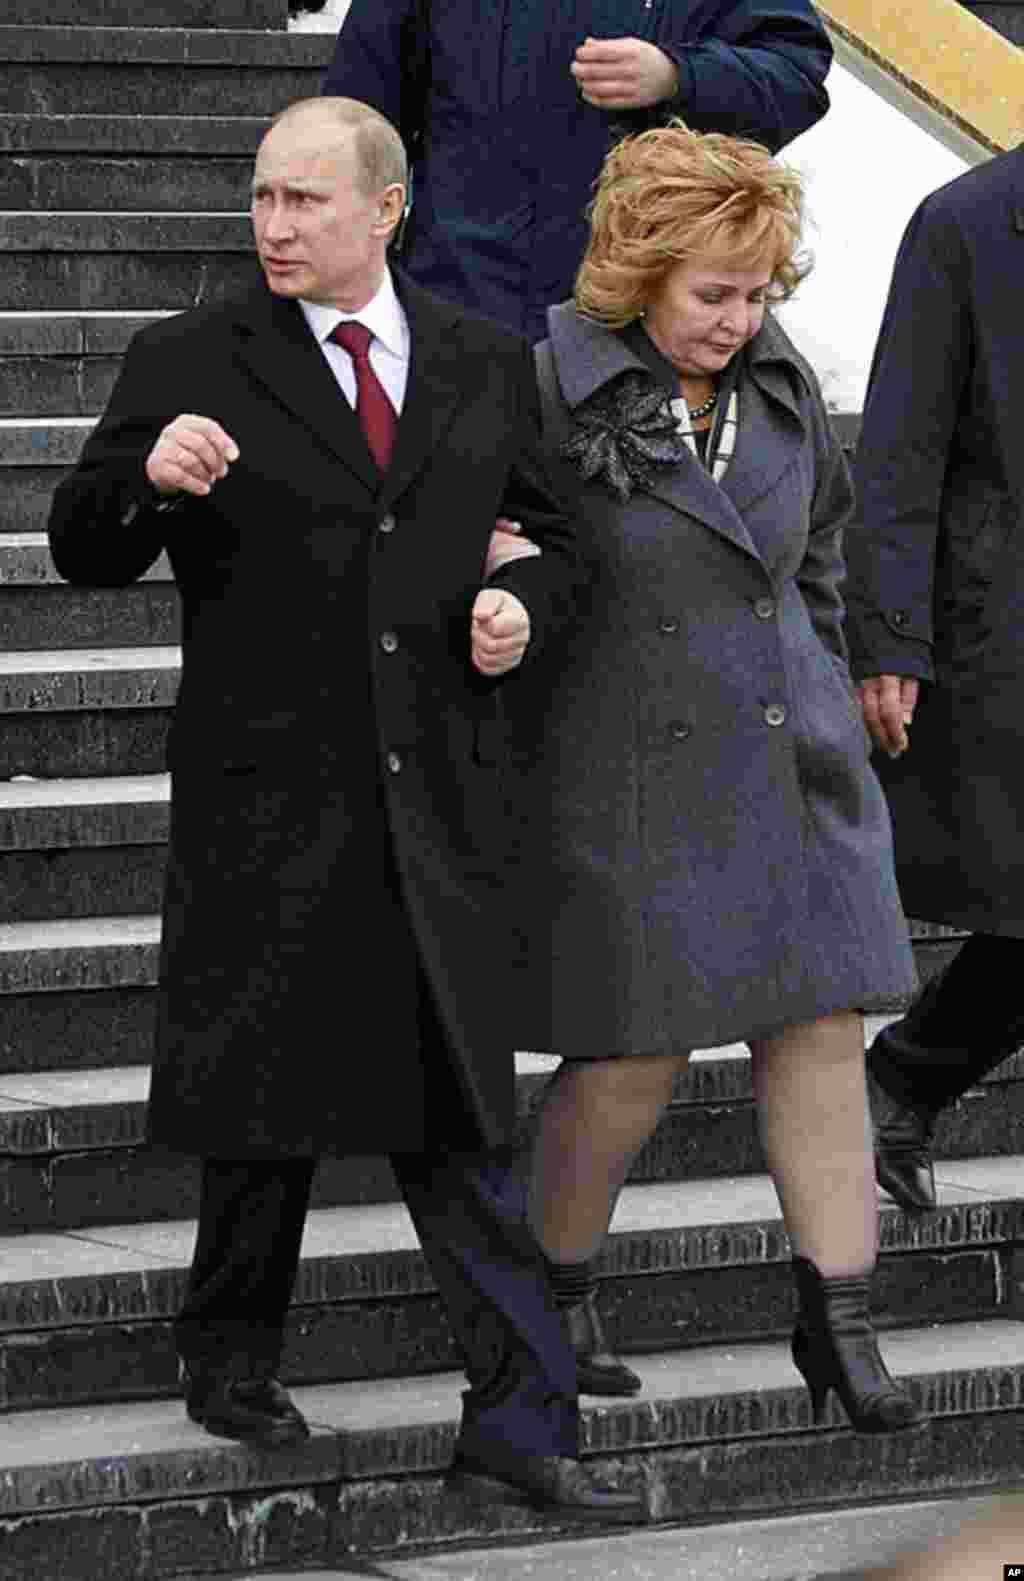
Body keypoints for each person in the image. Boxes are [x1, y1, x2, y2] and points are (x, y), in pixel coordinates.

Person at [46, 96, 644, 1525]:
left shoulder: (485, 366)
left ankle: (517, 1413)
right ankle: (229, 1352)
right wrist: (145, 480)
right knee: (264, 1105)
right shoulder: (190, 356)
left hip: (434, 793)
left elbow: (567, 540)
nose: (274, 224)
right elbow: (80, 543)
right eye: (261, 198)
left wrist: (515, 600)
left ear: (389, 211)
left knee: (456, 1118)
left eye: (306, 200)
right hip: (269, 793)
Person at [503, 122, 922, 1431]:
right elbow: (487, 557)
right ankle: (549, 1295)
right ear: (637, 274)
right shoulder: (538, 392)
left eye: (757, 295)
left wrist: (845, 674)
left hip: (793, 762)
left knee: (822, 1033)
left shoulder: (779, 381)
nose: (738, 321)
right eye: (712, 295)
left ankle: (839, 1319)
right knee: (631, 1058)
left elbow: (824, 543)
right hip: (629, 760)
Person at [845, 144, 1024, 1215]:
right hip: (997, 620)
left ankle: (904, 1080)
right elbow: (901, 448)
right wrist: (889, 640)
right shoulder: (962, 222)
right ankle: (901, 1080)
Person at [320, 0, 833, 341]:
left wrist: (679, 76)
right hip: (459, 307)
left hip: (639, 326)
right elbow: (356, 119)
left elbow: (794, 74)